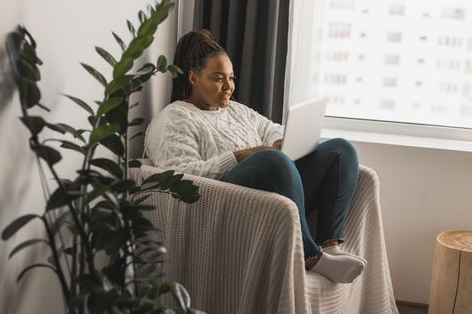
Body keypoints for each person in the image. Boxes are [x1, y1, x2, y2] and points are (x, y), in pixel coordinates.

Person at [144, 29, 365, 283]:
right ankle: (310, 256)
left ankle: (329, 244)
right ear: (193, 78)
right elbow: (178, 176)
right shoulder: (174, 117)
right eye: (218, 79)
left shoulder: (235, 110)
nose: (228, 87)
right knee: (272, 160)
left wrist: (279, 140)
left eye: (231, 78)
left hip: (272, 192)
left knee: (341, 150)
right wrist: (238, 156)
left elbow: (270, 128)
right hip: (224, 202)